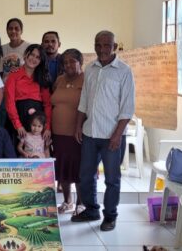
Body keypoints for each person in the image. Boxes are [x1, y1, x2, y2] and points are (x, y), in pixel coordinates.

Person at [71, 31, 135, 233]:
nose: (102, 49)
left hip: (112, 136)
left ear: (114, 47)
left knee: (112, 179)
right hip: (90, 133)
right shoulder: (90, 68)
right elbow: (84, 101)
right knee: (85, 176)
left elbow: (128, 107)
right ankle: (91, 210)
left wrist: (117, 135)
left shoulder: (124, 71)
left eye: (107, 45)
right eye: (98, 45)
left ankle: (110, 216)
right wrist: (78, 125)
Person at [51, 49, 85, 214]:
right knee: (63, 169)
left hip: (77, 134)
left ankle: (81, 202)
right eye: (65, 62)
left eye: (72, 61)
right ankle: (67, 201)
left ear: (80, 62)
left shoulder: (86, 79)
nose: (68, 65)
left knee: (79, 169)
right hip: (58, 134)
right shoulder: (59, 80)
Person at [4, 44, 52, 142]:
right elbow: (9, 102)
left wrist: (47, 127)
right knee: (18, 151)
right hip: (17, 119)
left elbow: (47, 105)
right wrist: (18, 125)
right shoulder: (13, 76)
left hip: (38, 123)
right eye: (32, 55)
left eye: (38, 57)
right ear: (26, 55)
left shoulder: (42, 78)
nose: (34, 59)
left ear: (40, 61)